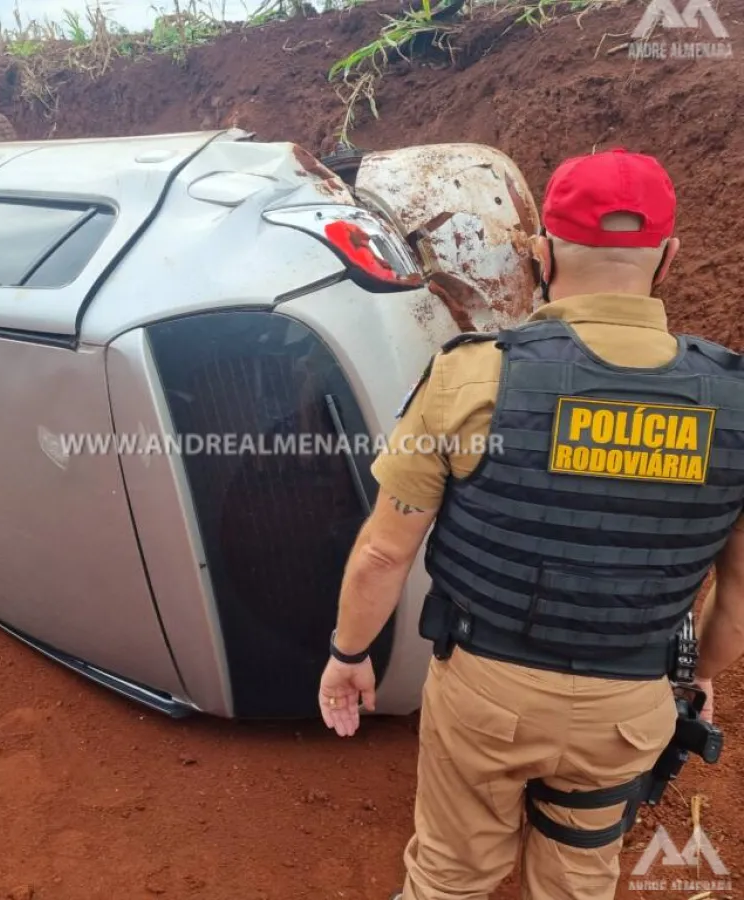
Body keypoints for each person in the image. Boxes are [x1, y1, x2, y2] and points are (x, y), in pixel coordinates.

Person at [317, 147, 744, 900]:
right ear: (669, 260)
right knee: (580, 876)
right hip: (628, 705)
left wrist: (349, 653)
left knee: (451, 874)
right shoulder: (736, 404)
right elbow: (738, 597)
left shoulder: (472, 374)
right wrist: (698, 678)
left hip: (487, 693)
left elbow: (385, 552)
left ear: (541, 254)